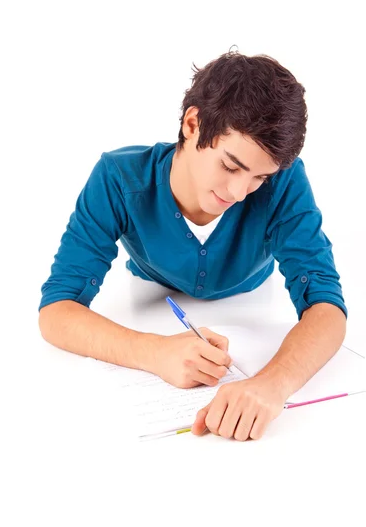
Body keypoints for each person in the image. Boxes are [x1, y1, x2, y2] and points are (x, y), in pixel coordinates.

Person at [38, 48, 347, 441]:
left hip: (253, 298)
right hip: (148, 295)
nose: (239, 191)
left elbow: (327, 307)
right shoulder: (117, 178)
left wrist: (272, 385)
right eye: (230, 166)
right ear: (192, 123)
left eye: (259, 178)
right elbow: (55, 311)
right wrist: (154, 352)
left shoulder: (286, 182)